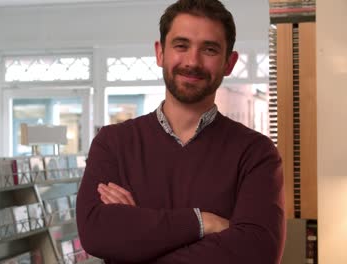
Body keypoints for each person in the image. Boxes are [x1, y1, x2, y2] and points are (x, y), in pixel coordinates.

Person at [76, 0, 285, 263]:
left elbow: (257, 252)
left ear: (229, 63)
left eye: (209, 49)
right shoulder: (113, 143)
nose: (192, 61)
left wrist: (139, 238)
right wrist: (202, 222)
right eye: (181, 45)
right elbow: (97, 233)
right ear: (160, 53)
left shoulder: (255, 153)